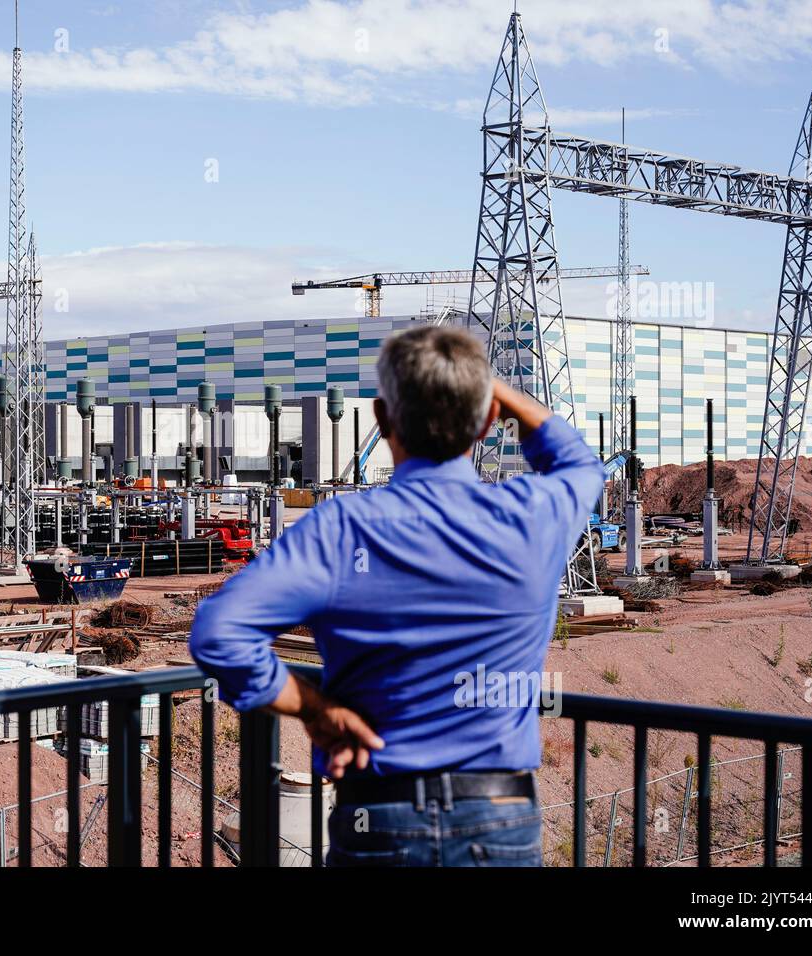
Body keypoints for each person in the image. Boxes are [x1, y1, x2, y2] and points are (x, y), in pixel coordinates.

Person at [189, 325, 604, 866]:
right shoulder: (533, 515)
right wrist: (494, 392)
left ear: (383, 420)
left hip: (379, 818)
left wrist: (315, 710)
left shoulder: (341, 529)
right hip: (499, 815)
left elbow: (219, 636)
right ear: (484, 423)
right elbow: (580, 465)